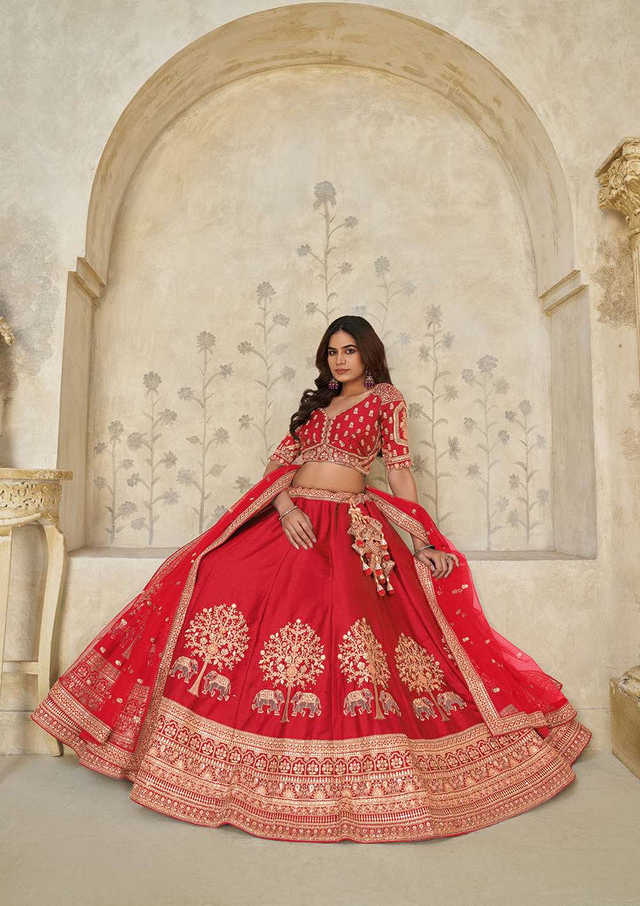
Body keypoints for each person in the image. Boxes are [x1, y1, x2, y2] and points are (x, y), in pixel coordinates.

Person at [31, 315, 591, 843]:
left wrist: (424, 538)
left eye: (349, 350)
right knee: (214, 572)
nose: (340, 359)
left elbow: (398, 469)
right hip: (294, 518)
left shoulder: (385, 401)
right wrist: (287, 509)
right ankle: (177, 746)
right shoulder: (317, 404)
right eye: (332, 351)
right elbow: (279, 466)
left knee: (347, 627)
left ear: (368, 353)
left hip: (350, 526)